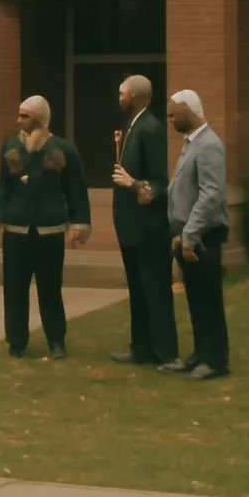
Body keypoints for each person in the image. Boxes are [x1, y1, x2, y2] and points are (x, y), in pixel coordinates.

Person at [0, 96, 91, 360]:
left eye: (25, 115)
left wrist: (80, 222)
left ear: (40, 118)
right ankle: (17, 341)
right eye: (19, 115)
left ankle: (56, 340)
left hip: (50, 231)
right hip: (16, 231)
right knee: (14, 288)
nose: (18, 120)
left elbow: (76, 189)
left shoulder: (63, 150)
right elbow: (2, 186)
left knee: (50, 289)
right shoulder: (11, 147)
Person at [109, 75, 181, 367]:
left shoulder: (150, 129)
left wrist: (136, 184)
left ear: (136, 96)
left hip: (147, 229)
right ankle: (141, 349)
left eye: (122, 92)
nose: (119, 96)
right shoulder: (133, 125)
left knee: (155, 291)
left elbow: (160, 182)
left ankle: (166, 353)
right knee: (138, 291)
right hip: (130, 227)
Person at [160, 90, 231, 381]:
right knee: (196, 301)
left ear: (191, 110)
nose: (171, 119)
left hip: (202, 237)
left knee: (208, 300)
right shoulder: (191, 144)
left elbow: (211, 194)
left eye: (174, 113)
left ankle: (215, 360)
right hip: (186, 236)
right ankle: (200, 354)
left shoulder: (209, 145)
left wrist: (189, 234)